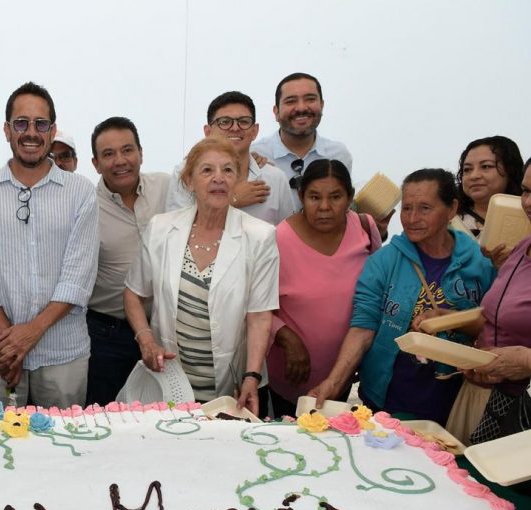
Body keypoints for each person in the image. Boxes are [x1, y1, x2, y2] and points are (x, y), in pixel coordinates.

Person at [311, 169, 496, 424]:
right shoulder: (383, 262)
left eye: (424, 208)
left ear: (451, 208)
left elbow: (493, 327)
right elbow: (363, 327)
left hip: (457, 399)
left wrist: (450, 319)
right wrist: (333, 382)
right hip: (388, 400)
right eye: (407, 208)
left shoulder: (481, 264)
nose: (412, 218)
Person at [0, 81, 98, 407]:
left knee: (64, 450)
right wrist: (11, 342)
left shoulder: (80, 193)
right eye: (21, 123)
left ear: (52, 131)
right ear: (7, 130)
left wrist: (29, 334)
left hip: (63, 353)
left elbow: (77, 278)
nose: (30, 132)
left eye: (40, 124)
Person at [123, 137, 279, 414]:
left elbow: (259, 315)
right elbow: (133, 293)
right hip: (169, 380)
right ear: (189, 181)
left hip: (233, 385)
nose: (218, 178)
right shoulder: (161, 228)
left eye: (228, 170)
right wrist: (146, 340)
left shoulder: (260, 236)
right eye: (207, 170)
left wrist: (252, 376)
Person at [267, 160, 381, 417]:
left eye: (336, 197)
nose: (325, 208)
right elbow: (254, 303)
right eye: (314, 197)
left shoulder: (365, 228)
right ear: (301, 197)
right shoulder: (276, 239)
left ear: (350, 197)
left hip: (344, 371)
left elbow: (378, 292)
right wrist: (286, 337)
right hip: (289, 374)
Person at [86, 116, 170, 404]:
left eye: (127, 150)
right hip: (107, 336)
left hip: (164, 332)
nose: (120, 160)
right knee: (105, 419)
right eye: (108, 154)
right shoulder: (85, 206)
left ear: (141, 153)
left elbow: (208, 171)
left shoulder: (167, 188)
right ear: (95, 163)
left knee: (164, 419)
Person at [451, 158, 531, 443]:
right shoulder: (522, 246)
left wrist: (527, 360)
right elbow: (497, 315)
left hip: (523, 410)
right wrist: (448, 320)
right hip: (488, 396)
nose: (529, 203)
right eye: (526, 191)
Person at [166, 91, 296, 225]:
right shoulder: (186, 171)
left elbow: (288, 234)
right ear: (208, 132)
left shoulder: (276, 178)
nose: (235, 128)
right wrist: (232, 200)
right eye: (225, 122)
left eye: (244, 122)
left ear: (255, 131)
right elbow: (175, 227)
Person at [251, 72, 353, 188]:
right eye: (291, 101)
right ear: (276, 112)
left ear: (322, 105)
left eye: (310, 99)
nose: (301, 108)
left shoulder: (339, 155)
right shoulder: (253, 156)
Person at [455, 135, 524, 238]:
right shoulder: (448, 220)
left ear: (510, 170)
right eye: (467, 169)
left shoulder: (526, 218)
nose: (474, 176)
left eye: (486, 166)